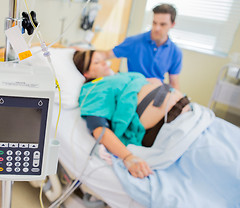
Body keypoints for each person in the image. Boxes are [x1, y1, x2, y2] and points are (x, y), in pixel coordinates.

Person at [73, 50, 190, 179]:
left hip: (186, 113)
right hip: (164, 127)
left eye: (102, 59)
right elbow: (99, 129)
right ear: (87, 73)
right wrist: (128, 157)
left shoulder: (117, 77)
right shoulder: (93, 89)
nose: (104, 63)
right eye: (96, 62)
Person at [101, 3, 182, 90]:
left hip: (155, 92)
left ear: (172, 24)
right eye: (154, 23)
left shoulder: (175, 52)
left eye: (162, 25)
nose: (157, 28)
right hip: (133, 90)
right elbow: (105, 55)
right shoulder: (133, 42)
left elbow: (174, 84)